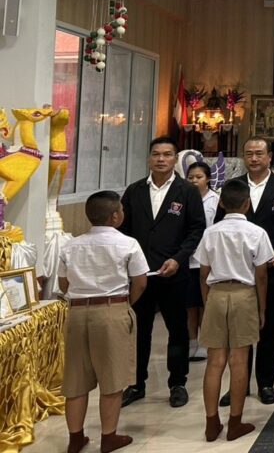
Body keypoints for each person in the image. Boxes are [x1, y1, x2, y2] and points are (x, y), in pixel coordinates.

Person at [59, 191, 149, 453]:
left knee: (75, 380)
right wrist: (125, 303)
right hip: (112, 310)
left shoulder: (71, 245)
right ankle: (108, 437)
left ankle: (75, 438)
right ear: (115, 216)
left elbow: (64, 283)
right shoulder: (128, 244)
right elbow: (141, 281)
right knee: (112, 378)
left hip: (77, 313)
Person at [120, 136, 206, 408]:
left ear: (175, 159)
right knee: (139, 331)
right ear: (149, 158)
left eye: (167, 154)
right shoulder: (134, 190)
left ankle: (177, 383)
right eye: (156, 154)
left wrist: (179, 259)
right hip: (140, 276)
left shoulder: (187, 191)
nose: (161, 159)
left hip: (174, 274)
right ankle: (136, 383)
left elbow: (196, 229)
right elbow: (123, 230)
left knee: (177, 330)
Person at [215, 137, 274, 406]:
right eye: (249, 153)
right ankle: (238, 385)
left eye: (259, 154)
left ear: (269, 156)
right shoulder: (233, 186)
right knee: (238, 332)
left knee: (268, 328)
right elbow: (219, 223)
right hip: (238, 270)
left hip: (271, 267)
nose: (254, 158)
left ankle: (266, 383)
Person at [196, 179, 274, 442]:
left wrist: (208, 301)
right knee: (239, 360)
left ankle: (211, 424)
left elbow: (203, 272)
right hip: (244, 294)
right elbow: (261, 275)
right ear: (247, 203)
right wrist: (262, 307)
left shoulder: (211, 232)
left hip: (216, 294)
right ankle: (235, 423)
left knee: (214, 361)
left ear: (220, 203)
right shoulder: (257, 232)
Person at [186, 162, 220, 363]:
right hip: (189, 259)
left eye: (198, 177)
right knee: (190, 305)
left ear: (208, 179)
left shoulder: (216, 200)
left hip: (209, 260)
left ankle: (205, 342)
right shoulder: (184, 198)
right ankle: (192, 341)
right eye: (190, 177)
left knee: (206, 302)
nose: (194, 181)